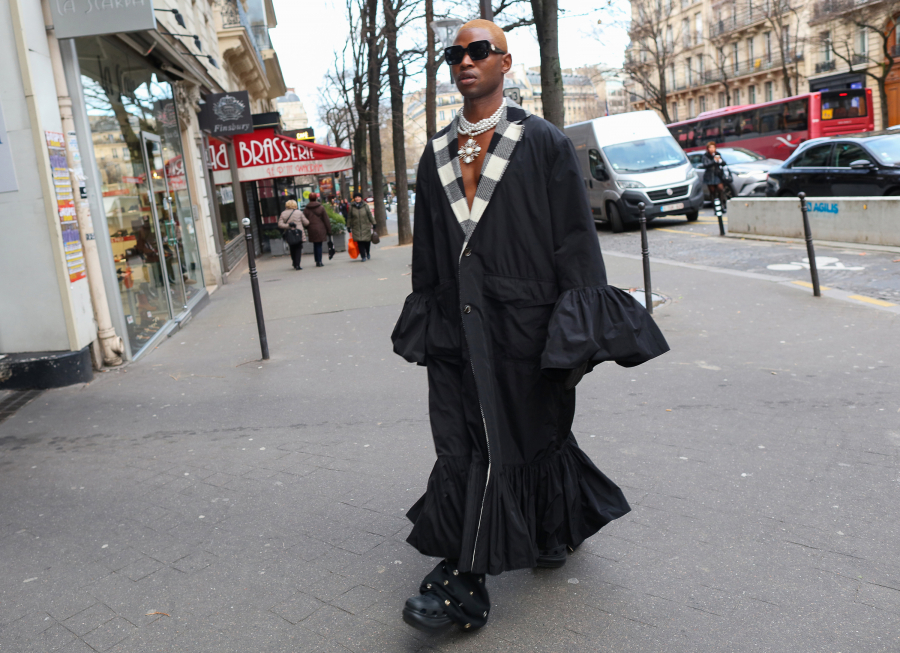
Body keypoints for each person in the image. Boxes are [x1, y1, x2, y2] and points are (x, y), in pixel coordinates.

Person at [390, 19, 669, 634]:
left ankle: (533, 535)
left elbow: (574, 238)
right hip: (459, 329)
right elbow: (432, 251)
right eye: (455, 53)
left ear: (505, 62)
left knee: (530, 433)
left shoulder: (541, 141)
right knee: (465, 440)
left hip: (527, 325)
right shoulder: (435, 152)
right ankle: (466, 575)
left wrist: (579, 327)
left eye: (479, 50)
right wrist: (428, 320)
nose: (466, 61)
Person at [277, 199, 309, 270]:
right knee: (298, 249)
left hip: (289, 234)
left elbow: (280, 224)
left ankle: (294, 262)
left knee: (292, 248)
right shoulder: (299, 212)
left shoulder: (283, 213)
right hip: (298, 234)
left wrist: (288, 226)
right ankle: (297, 264)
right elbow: (306, 222)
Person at [303, 193, 332, 268]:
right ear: (316, 198)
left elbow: (304, 220)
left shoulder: (306, 209)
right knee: (319, 245)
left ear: (309, 198)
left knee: (315, 244)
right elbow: (326, 219)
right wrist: (329, 230)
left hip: (311, 228)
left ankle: (317, 260)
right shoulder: (321, 207)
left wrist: (307, 227)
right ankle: (319, 261)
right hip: (320, 228)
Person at [347, 192, 376, 261]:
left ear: (361, 198)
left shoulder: (365, 206)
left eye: (358, 197)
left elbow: (369, 215)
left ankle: (367, 253)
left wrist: (374, 223)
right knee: (360, 242)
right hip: (356, 227)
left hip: (366, 226)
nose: (357, 198)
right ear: (354, 198)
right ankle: (363, 256)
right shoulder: (351, 207)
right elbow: (349, 217)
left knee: (367, 241)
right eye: (356, 197)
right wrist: (348, 226)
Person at [701, 142, 729, 214]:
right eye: (710, 148)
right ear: (708, 149)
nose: (712, 149)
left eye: (713, 147)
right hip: (709, 176)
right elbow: (705, 165)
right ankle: (715, 208)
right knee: (713, 193)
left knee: (720, 189)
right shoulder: (705, 156)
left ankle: (722, 206)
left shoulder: (717, 154)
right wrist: (714, 161)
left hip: (717, 175)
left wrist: (720, 160)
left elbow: (724, 163)